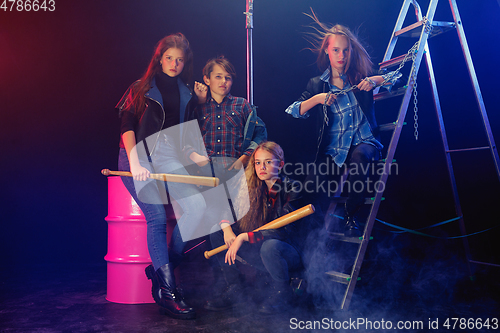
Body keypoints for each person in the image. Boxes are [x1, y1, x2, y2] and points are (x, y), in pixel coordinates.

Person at [285, 12, 400, 237]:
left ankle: (351, 215)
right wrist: (317, 99)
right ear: (327, 51)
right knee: (308, 186)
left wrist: (374, 80)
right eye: (336, 50)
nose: (341, 55)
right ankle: (290, 225)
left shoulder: (360, 74)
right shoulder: (317, 84)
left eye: (345, 50)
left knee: (360, 158)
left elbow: (396, 76)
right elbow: (292, 111)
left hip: (363, 142)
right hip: (334, 151)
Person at [116, 33, 206, 319]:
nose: (174, 63)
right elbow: (127, 125)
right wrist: (134, 162)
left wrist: (196, 157)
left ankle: (161, 269)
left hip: (169, 160)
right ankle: (168, 292)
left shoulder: (188, 93)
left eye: (180, 60)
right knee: (155, 218)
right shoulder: (140, 87)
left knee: (198, 207)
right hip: (137, 157)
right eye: (169, 58)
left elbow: (187, 136)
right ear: (159, 58)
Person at [205, 141, 314, 314]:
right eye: (257, 162)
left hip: (289, 253)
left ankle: (283, 293)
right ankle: (235, 287)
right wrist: (227, 229)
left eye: (268, 162)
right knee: (217, 232)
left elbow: (282, 231)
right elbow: (227, 208)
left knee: (270, 246)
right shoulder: (253, 188)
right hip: (261, 250)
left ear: (281, 164)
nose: (261, 167)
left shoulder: (293, 187)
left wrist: (244, 237)